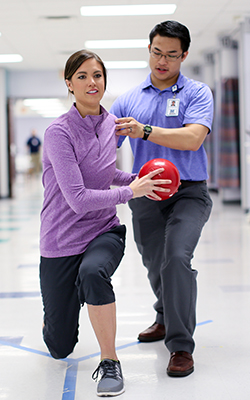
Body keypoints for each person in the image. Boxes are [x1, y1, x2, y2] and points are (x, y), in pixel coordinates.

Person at [39, 49, 170, 397]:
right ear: (69, 83)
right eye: (81, 76)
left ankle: (110, 361)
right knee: (59, 346)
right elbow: (78, 199)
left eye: (96, 75)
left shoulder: (111, 125)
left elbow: (104, 173)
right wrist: (132, 190)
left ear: (104, 80)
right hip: (60, 239)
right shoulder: (58, 133)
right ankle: (55, 315)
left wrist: (143, 180)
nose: (91, 82)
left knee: (93, 273)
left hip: (103, 230)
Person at [110, 20, 214, 377]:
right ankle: (165, 316)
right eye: (157, 52)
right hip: (147, 193)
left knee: (175, 258)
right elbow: (105, 147)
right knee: (154, 263)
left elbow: (193, 138)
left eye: (171, 54)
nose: (162, 61)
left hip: (189, 192)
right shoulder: (128, 99)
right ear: (149, 49)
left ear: (183, 55)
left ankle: (181, 345)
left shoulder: (198, 93)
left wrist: (146, 131)